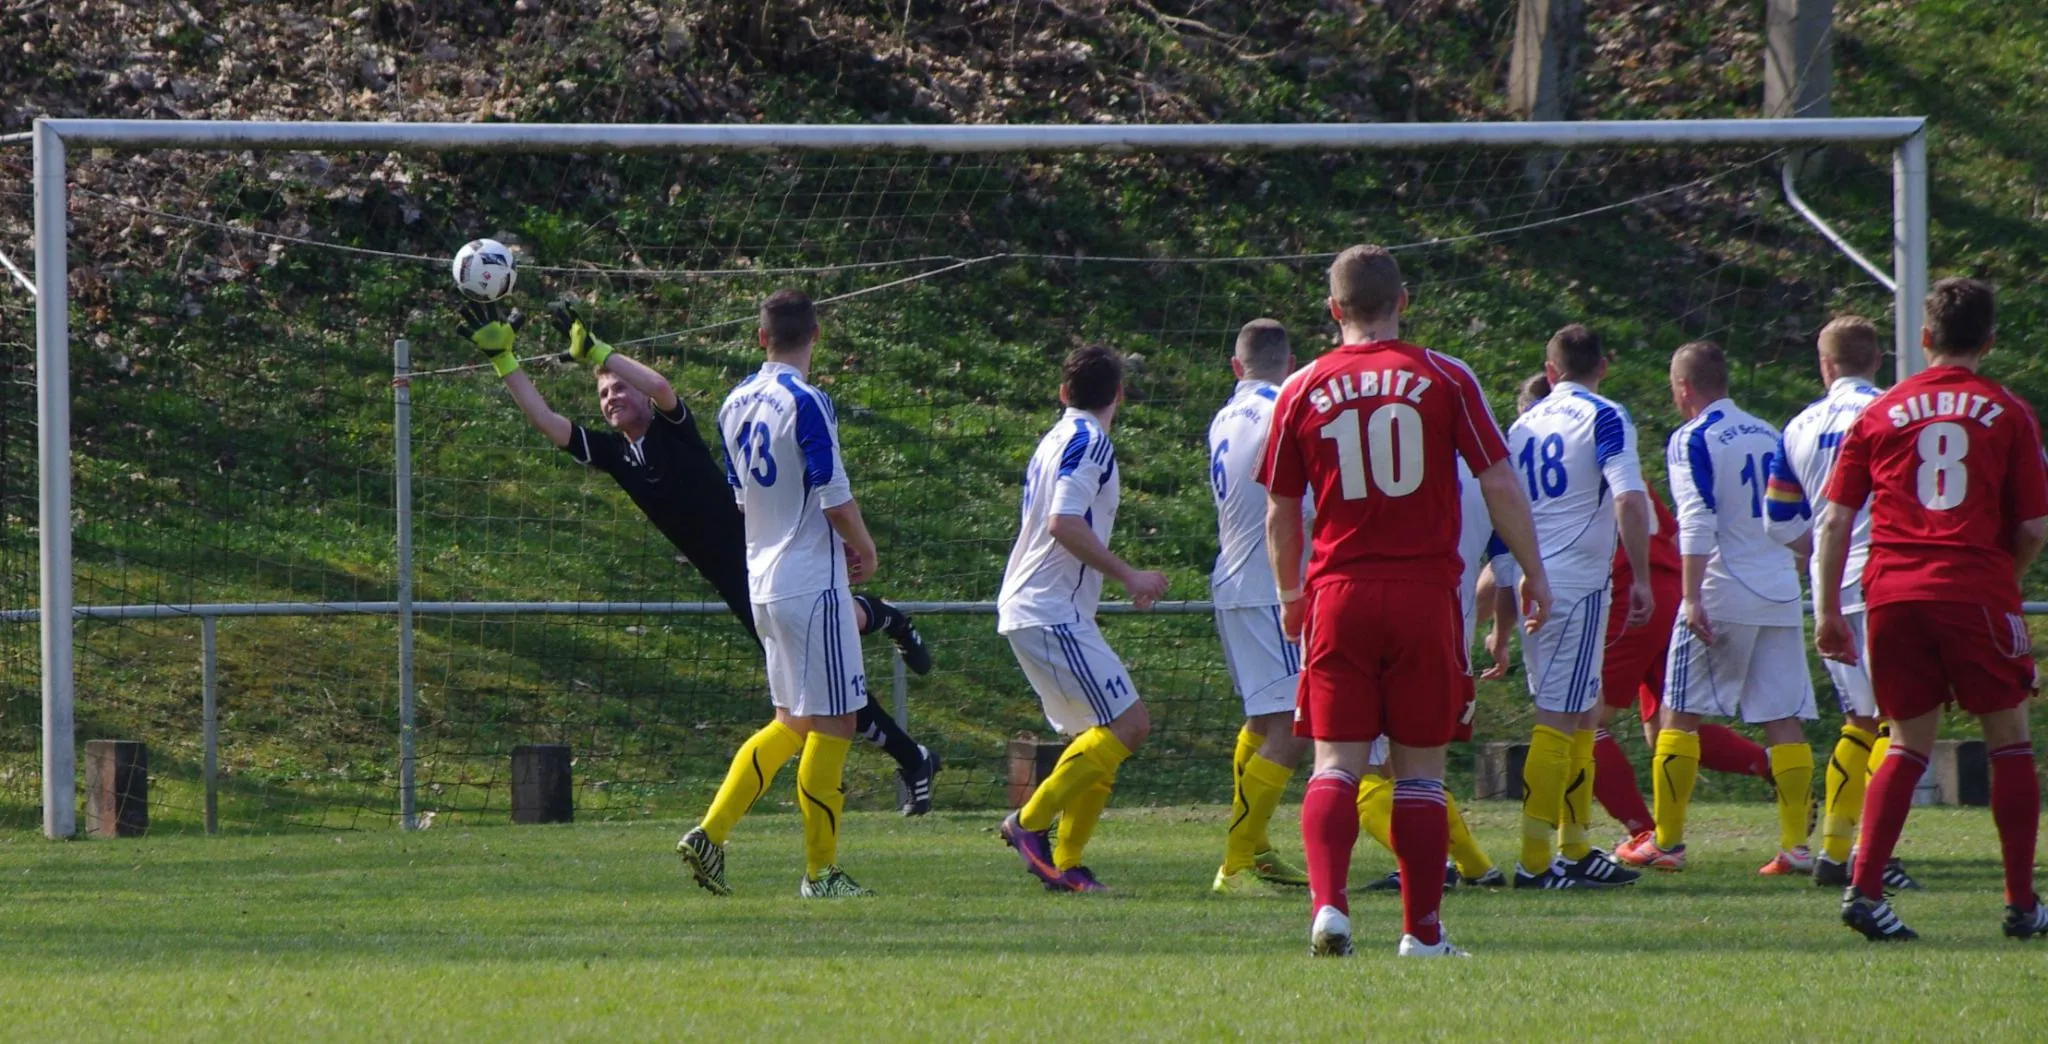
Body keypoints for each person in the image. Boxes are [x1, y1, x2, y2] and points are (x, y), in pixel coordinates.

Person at [455, 299, 945, 826]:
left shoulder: (674, 428)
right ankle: (892, 650)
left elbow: (662, 386)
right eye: (603, 393)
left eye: (619, 387)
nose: (612, 396)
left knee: (822, 689)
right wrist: (505, 361)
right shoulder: (616, 455)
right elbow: (547, 421)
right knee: (822, 682)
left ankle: (909, 742)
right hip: (740, 577)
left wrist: (600, 353)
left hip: (768, 548)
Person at [1260, 244, 1550, 958]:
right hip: (1425, 595)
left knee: (1335, 763)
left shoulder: (1300, 386)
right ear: (1403, 301)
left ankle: (1329, 908)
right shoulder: (1445, 376)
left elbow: (1281, 510)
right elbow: (1499, 481)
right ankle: (1421, 933)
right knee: (1420, 771)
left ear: (1333, 309)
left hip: (1339, 592)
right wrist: (1532, 571)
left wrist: (1290, 594)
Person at [1816, 278, 2048, 941]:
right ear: (1990, 341)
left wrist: (1828, 610)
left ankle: (1864, 890)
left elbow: (1834, 521)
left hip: (1892, 594)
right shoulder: (2008, 411)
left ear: (1923, 339)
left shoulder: (1882, 410)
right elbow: (2034, 526)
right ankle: (2022, 904)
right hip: (1974, 588)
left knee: (1903, 743)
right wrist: (2000, 581)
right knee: (2010, 742)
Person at [1490, 375, 1773, 859]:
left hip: (1625, 595)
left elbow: (1516, 551)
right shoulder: (1609, 453)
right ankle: (1770, 765)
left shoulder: (1555, 461)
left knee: (1585, 716)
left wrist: (1494, 619)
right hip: (1671, 588)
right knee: (1666, 726)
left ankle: (1639, 832)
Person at [1615, 341, 1816, 875]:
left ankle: (1668, 842)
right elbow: (1796, 519)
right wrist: (1791, 572)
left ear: (1684, 388)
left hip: (1723, 587)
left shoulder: (1693, 437)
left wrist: (1690, 596)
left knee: (1679, 715)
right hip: (1779, 589)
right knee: (1784, 717)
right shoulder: (1770, 432)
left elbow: (1698, 518)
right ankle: (1796, 847)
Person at [997, 345, 1171, 894]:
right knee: (1130, 724)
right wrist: (1130, 576)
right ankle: (1028, 825)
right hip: (1050, 611)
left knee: (1097, 740)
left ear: (1063, 392)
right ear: (1119, 394)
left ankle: (1067, 864)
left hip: (1041, 609)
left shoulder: (1056, 437)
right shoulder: (1090, 441)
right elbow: (1063, 522)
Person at [1489, 325, 1650, 889]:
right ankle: (1535, 862)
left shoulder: (1521, 425)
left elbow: (1501, 518)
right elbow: (1629, 497)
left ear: (1550, 371)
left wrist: (1504, 609)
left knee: (1582, 712)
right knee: (1559, 720)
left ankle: (1575, 848)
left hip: (1533, 579)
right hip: (1575, 582)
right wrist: (1643, 578)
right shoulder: (1604, 416)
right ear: (1602, 366)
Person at [1764, 315, 1918, 890]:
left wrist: (1822, 554)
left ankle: (1833, 850)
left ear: (1824, 365)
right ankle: (1871, 853)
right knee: (1898, 722)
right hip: (1888, 573)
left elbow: (1778, 519)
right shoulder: (1895, 410)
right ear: (1877, 360)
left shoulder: (1798, 426)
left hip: (1832, 582)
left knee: (1859, 720)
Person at [1206, 319, 1312, 896]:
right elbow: (1301, 501)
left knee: (1262, 720)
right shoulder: (1287, 408)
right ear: (1290, 363)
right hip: (1271, 583)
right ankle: (1237, 860)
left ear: (1235, 366)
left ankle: (1257, 849)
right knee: (1296, 726)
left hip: (1233, 578)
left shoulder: (1224, 416)